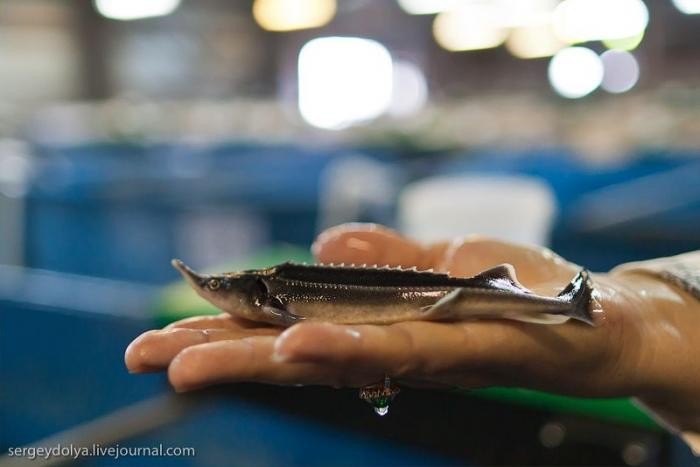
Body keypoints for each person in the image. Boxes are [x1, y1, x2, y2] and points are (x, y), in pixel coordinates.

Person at [125, 223, 700, 454]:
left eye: (221, 287)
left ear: (249, 291)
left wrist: (635, 325)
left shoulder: (274, 293)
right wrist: (651, 326)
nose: (212, 290)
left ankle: (565, 302)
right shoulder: (271, 292)